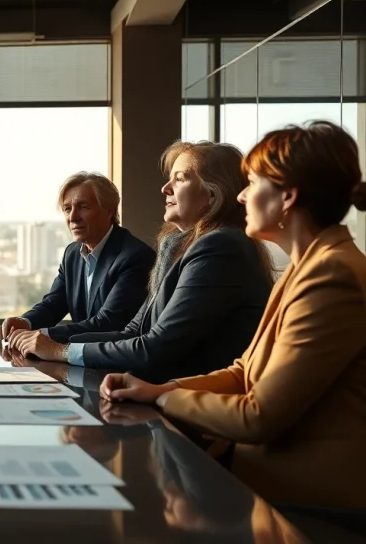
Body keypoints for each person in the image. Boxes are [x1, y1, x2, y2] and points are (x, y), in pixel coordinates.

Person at [101, 121, 366, 510]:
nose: (240, 197)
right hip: (268, 487)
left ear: (287, 198)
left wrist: (162, 401)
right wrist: (164, 390)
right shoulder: (304, 267)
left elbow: (258, 416)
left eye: (252, 184)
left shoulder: (333, 275)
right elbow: (245, 371)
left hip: (308, 505)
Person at [7, 141, 273, 383]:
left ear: (213, 194)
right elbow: (133, 331)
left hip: (196, 403)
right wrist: (41, 340)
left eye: (179, 179)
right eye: (67, 209)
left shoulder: (220, 247)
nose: (165, 188)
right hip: (163, 390)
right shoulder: (179, 247)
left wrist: (58, 349)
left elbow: (153, 348)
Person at [0, 172, 155, 344]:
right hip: (80, 360)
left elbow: (108, 323)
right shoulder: (72, 254)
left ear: (109, 210)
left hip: (119, 364)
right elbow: (53, 304)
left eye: (83, 207)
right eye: (67, 209)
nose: (72, 217)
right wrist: (25, 322)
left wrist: (42, 336)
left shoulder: (135, 257)